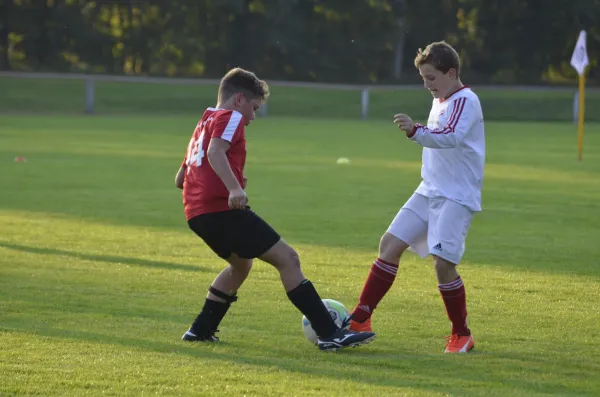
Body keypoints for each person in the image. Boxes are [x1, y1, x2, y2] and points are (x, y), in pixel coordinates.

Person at [175, 67, 376, 351]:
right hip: (221, 210)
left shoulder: (203, 123)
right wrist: (234, 188)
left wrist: (227, 179)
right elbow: (215, 152)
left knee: (240, 265)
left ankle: (200, 330)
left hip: (197, 215)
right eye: (254, 108)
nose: (253, 117)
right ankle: (330, 332)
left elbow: (180, 179)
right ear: (239, 99)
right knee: (288, 259)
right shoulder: (229, 116)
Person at [348, 41, 485, 353]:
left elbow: (449, 136)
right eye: (423, 79)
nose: (427, 85)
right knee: (389, 244)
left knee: (443, 265)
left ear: (451, 73)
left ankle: (462, 334)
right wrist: (419, 133)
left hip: (455, 196)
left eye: (432, 78)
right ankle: (360, 318)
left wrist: (415, 131)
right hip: (429, 190)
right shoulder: (440, 98)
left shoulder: (466, 100)